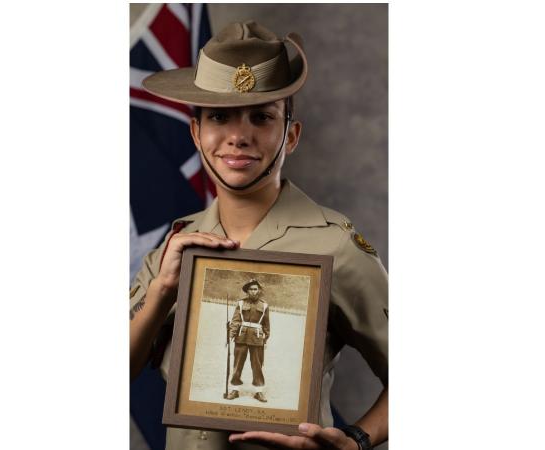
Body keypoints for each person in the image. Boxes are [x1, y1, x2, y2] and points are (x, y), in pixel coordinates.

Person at [131, 20, 387, 450]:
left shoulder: (335, 246)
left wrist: (356, 440)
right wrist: (161, 290)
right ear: (196, 132)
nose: (238, 136)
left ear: (291, 135)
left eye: (262, 117)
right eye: (219, 117)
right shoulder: (175, 249)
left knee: (257, 371)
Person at [226, 279, 271, 403]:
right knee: (237, 364)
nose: (253, 291)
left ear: (259, 290)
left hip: (257, 339)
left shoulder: (265, 305)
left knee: (257, 366)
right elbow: (235, 321)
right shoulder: (240, 304)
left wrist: (265, 339)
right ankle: (234, 390)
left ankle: (258, 391)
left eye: (255, 289)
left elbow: (266, 325)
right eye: (251, 289)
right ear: (247, 291)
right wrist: (231, 335)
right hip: (241, 337)